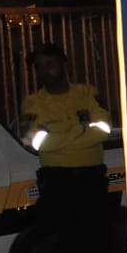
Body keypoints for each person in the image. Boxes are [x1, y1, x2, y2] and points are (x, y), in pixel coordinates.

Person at [14, 43, 113, 227]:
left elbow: (103, 130)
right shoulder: (32, 103)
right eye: (39, 66)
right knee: (57, 237)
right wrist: (80, 129)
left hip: (91, 179)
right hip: (56, 181)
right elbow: (38, 143)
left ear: (64, 64)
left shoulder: (87, 93)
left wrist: (56, 137)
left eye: (50, 64)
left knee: (96, 235)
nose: (44, 71)